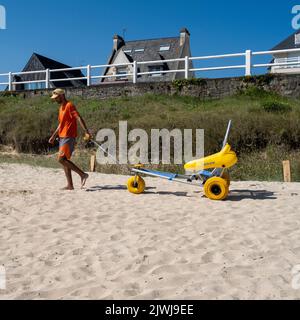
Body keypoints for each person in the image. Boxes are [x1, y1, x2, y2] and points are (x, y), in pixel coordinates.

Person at [48, 89, 92, 190]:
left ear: (62, 96)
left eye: (56, 98)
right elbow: (61, 124)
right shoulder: (61, 108)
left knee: (61, 159)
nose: (55, 100)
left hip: (69, 136)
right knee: (65, 160)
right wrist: (54, 135)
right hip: (62, 136)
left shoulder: (69, 105)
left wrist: (86, 131)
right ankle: (70, 185)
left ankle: (82, 174)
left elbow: (79, 118)